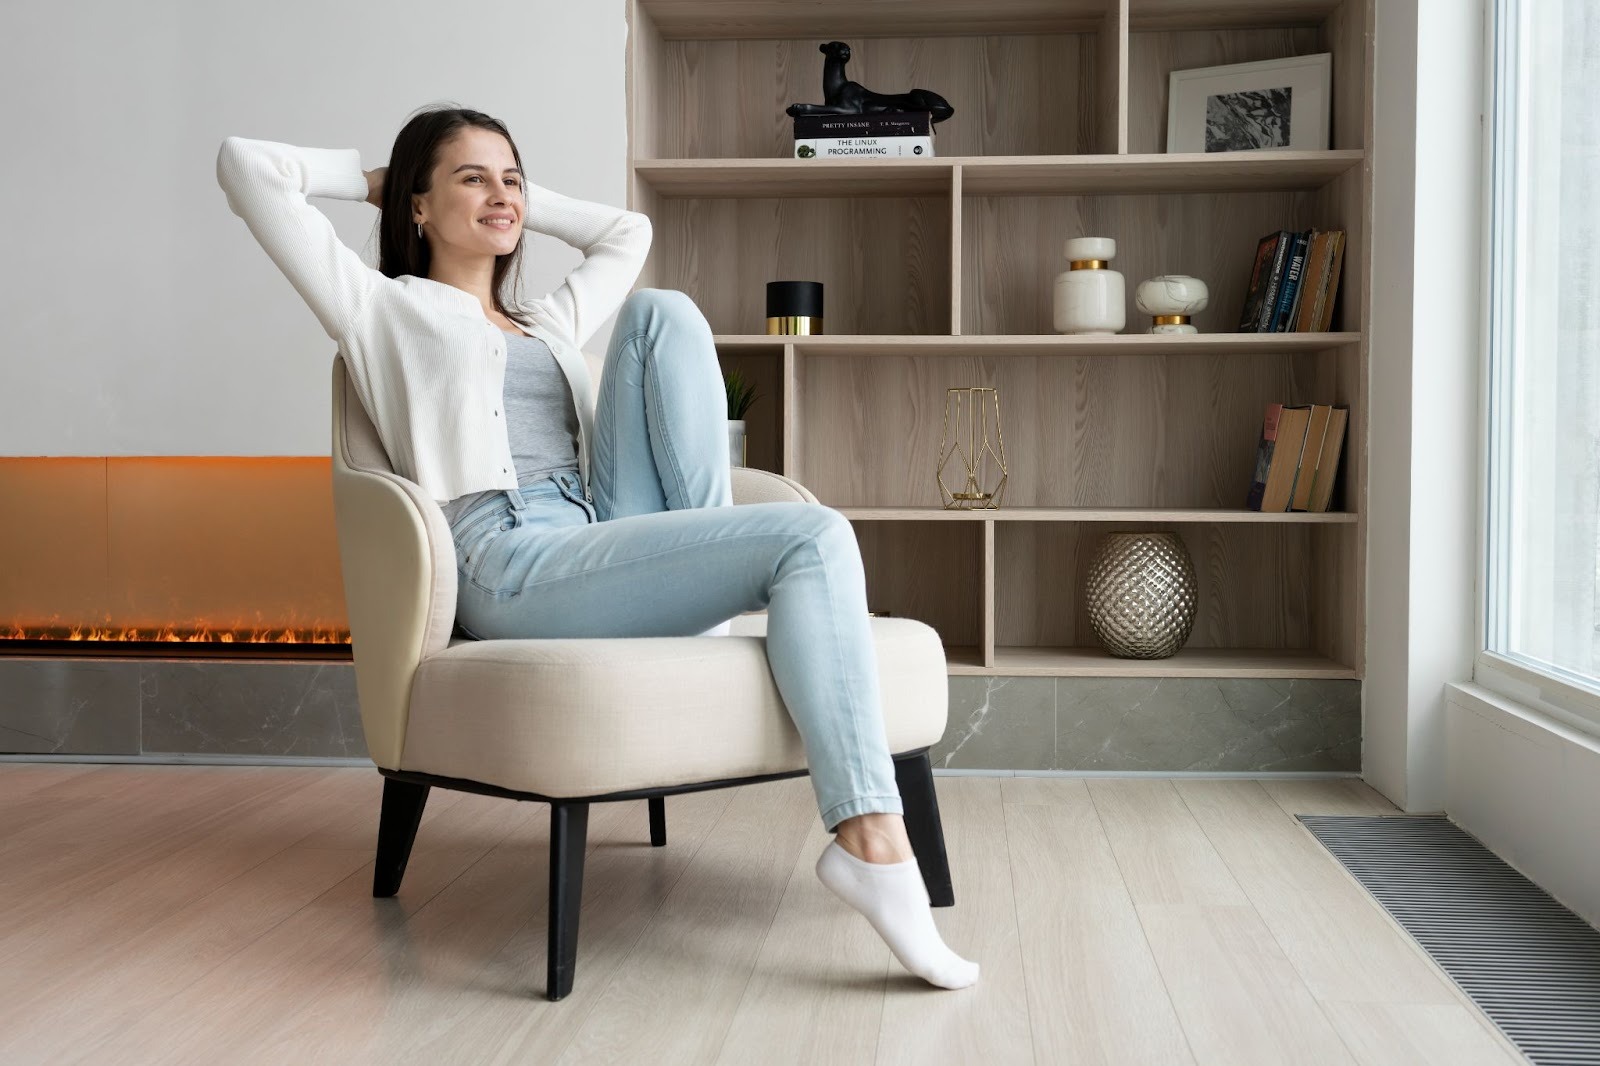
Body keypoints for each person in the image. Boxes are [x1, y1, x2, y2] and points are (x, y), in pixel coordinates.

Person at [215, 104, 977, 990]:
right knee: (813, 535)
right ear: (417, 208)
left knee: (662, 312)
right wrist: (377, 180)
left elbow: (628, 232)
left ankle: (719, 616)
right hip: (508, 559)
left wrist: (512, 200)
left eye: (512, 177)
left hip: (597, 532)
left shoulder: (544, 322)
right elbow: (247, 168)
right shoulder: (382, 311)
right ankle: (870, 838)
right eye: (472, 178)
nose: (501, 195)